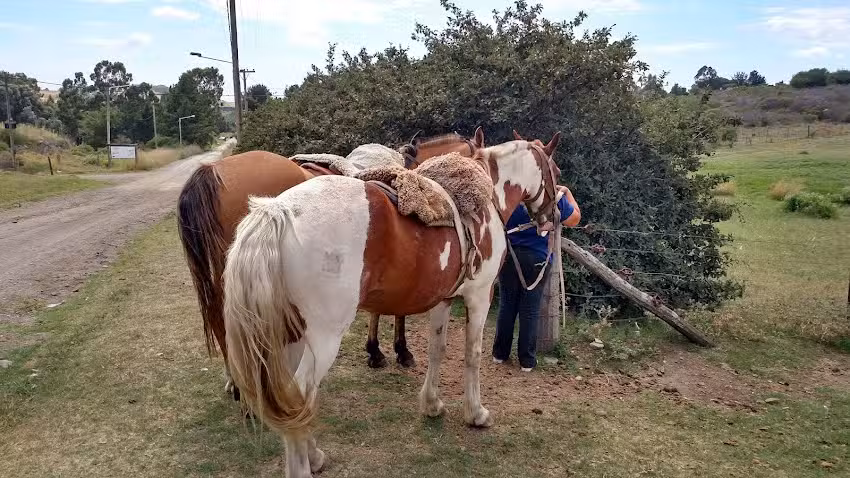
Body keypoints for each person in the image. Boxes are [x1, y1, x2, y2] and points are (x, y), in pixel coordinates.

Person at [492, 185, 581, 371]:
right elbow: (574, 219)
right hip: (538, 258)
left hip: (510, 256)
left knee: (507, 305)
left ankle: (500, 354)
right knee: (530, 309)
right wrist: (568, 193)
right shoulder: (552, 198)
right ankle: (526, 361)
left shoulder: (510, 195)